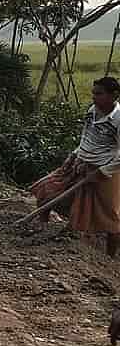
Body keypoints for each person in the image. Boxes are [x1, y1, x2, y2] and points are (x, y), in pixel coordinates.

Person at [30, 76, 120, 257]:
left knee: (111, 218)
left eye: (99, 94)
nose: (94, 97)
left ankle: (111, 257)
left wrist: (101, 172)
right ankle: (42, 227)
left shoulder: (118, 119)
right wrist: (73, 155)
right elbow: (86, 137)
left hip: (105, 172)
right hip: (81, 163)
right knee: (48, 188)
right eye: (94, 93)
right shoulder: (93, 111)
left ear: (114, 96)